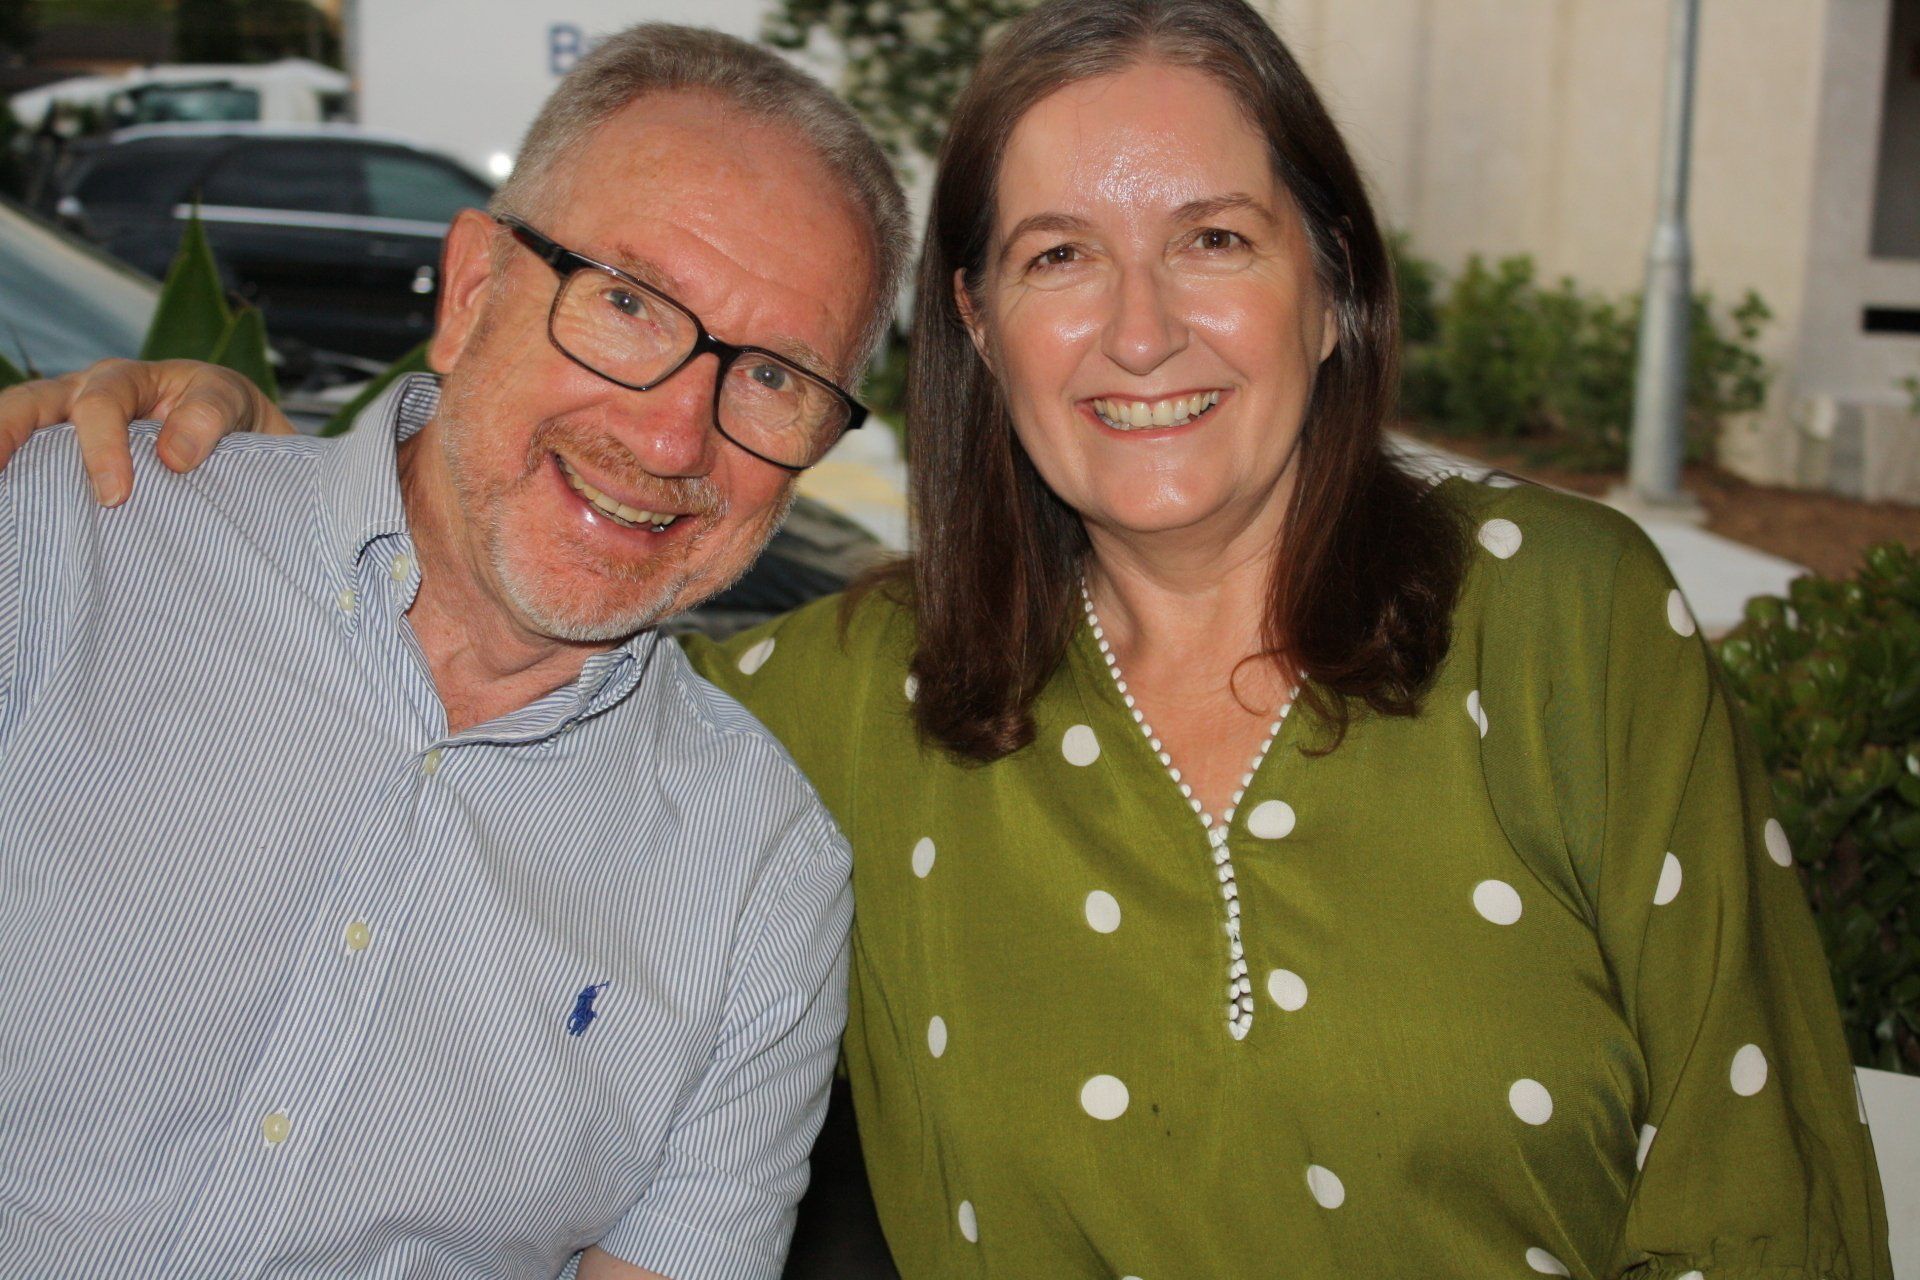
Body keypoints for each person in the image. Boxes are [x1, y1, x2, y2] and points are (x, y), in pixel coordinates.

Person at [3, 1, 1892, 1276]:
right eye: (1062, 254)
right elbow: (525, 617)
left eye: (1216, 238)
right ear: (980, 330)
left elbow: (1767, 1200)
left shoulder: (1561, 615)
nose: (1139, 330)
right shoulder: (854, 705)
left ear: (1329, 287)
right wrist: (192, 458)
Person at [0, 24, 911, 1280]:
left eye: (772, 377)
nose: (670, 438)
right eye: (629, 304)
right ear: (475, 288)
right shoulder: (70, 539)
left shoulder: (762, 880)